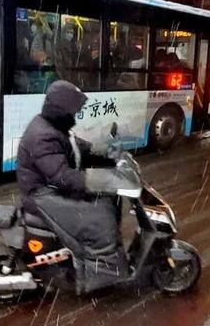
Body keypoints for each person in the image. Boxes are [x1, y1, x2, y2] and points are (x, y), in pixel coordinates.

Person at [16, 80, 127, 293]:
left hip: (50, 188)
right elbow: (62, 176)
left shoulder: (54, 127)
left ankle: (100, 263)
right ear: (61, 111)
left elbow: (77, 147)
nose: (75, 115)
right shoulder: (44, 136)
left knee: (106, 198)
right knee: (97, 216)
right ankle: (97, 277)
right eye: (73, 111)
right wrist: (99, 179)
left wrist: (106, 153)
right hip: (41, 194)